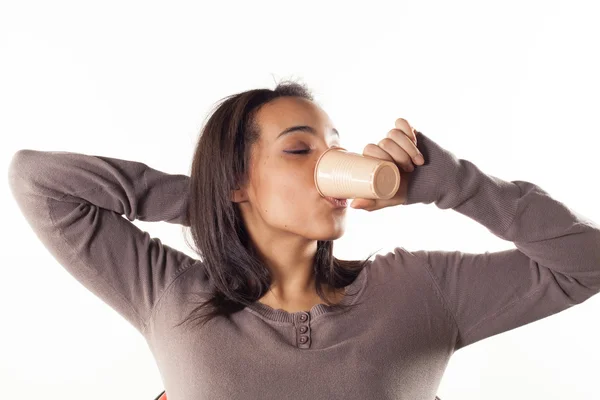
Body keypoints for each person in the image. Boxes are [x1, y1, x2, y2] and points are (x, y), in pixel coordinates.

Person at [8, 80, 600, 399]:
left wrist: (456, 185)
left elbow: (587, 263)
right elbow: (39, 181)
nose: (330, 163)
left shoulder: (421, 290)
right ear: (239, 176)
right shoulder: (168, 291)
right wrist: (218, 197)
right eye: (300, 149)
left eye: (334, 145)